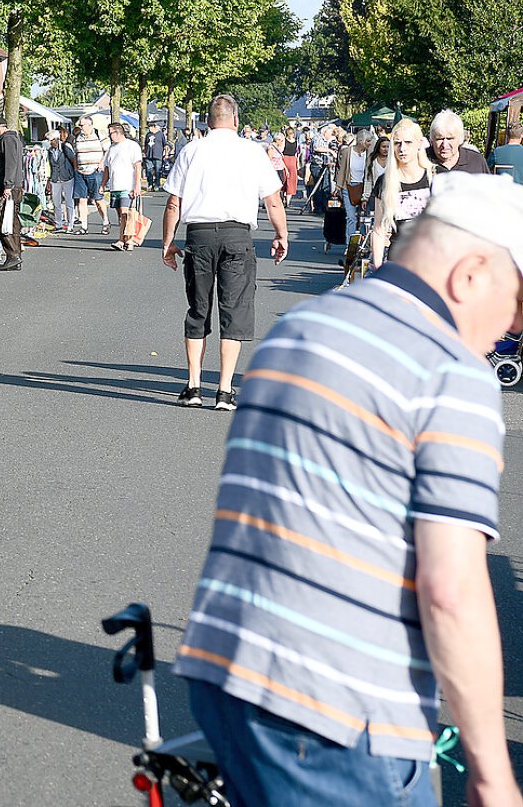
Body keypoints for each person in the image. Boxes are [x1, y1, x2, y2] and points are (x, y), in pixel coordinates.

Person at [177, 172, 523, 807]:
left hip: (226, 666)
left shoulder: (299, 329)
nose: (508, 330)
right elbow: (451, 589)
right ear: (471, 275)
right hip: (341, 706)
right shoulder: (451, 371)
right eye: (516, 308)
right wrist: (490, 768)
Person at [159, 94, 288, 412]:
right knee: (234, 310)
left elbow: (173, 202)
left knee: (198, 309)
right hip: (237, 237)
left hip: (199, 237)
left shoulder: (191, 150)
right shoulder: (252, 152)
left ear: (207, 120)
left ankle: (193, 386)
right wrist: (280, 235)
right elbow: (272, 201)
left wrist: (167, 242)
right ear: (236, 120)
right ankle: (225, 391)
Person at [369, 118, 434, 270]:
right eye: (397, 143)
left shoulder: (435, 176)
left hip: (432, 261)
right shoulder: (385, 181)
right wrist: (378, 268)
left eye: (408, 142)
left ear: (419, 144)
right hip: (399, 261)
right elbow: (378, 229)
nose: (402, 148)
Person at [0, 117, 26, 271]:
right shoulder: (12, 139)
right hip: (14, 186)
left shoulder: (7, 140)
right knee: (12, 221)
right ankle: (15, 255)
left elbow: (11, 163)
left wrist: (7, 185)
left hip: (10, 187)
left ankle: (12, 255)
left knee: (0, 220)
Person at [102, 121, 144, 252]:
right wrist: (103, 184)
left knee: (126, 213)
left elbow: (137, 166)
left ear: (118, 132)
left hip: (127, 185)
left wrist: (137, 185)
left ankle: (122, 240)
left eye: (111, 133)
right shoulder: (112, 148)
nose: (110, 136)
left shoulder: (132, 146)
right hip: (115, 186)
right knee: (121, 215)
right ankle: (128, 239)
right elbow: (107, 168)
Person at [71, 118, 108, 234]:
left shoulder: (99, 134)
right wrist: (76, 167)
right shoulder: (78, 137)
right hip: (81, 172)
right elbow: (75, 153)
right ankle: (84, 226)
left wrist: (102, 163)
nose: (81, 127)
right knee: (81, 200)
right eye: (80, 125)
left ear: (90, 125)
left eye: (83, 125)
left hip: (95, 171)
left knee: (98, 199)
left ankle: (105, 222)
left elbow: (107, 150)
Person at [429, 108, 489, 175]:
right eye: (440, 139)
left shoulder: (476, 161)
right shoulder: (420, 162)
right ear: (431, 140)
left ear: (460, 139)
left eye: (450, 139)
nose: (445, 145)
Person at [46, 126, 76, 231]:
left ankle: (70, 224)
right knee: (56, 202)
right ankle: (58, 223)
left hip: (67, 177)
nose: (50, 143)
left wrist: (74, 173)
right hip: (55, 178)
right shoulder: (49, 151)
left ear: (56, 139)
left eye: (51, 140)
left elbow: (73, 159)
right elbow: (50, 165)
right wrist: (49, 180)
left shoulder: (65, 147)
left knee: (69, 201)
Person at [144, 121, 168, 191]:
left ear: (154, 127)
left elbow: (165, 145)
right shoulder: (148, 134)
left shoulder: (160, 134)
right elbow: (145, 144)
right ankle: (150, 183)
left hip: (157, 155)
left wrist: (166, 154)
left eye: (150, 127)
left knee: (157, 171)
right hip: (149, 155)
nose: (149, 129)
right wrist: (144, 152)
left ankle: (157, 184)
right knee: (149, 170)